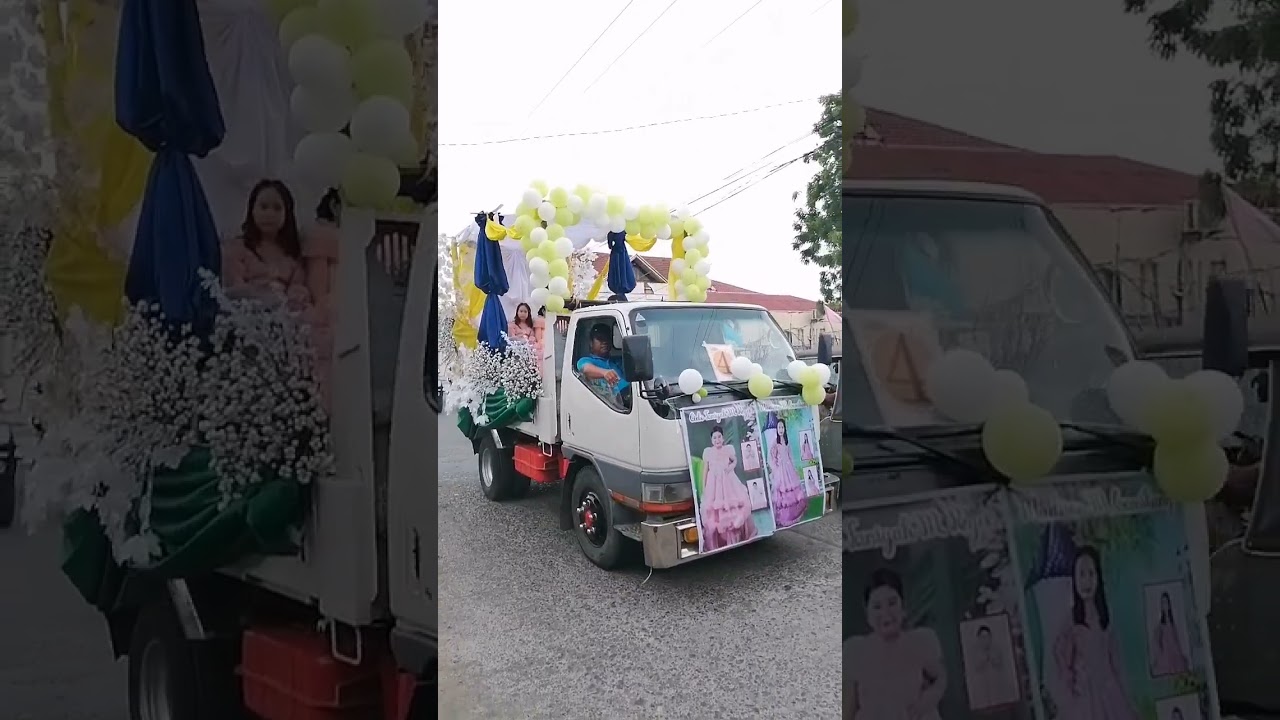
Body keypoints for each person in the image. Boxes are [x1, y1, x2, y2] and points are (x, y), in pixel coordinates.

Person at [1050, 545, 1138, 720]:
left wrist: (1128, 701)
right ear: (1074, 580)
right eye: (1081, 574)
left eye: (1091, 573)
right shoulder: (1070, 623)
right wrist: (1071, 699)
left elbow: (1117, 665)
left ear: (1098, 577)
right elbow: (1062, 667)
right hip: (1085, 702)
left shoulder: (1106, 618)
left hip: (1111, 696)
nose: (1087, 581)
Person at [844, 568, 946, 720]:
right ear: (868, 614)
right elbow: (847, 711)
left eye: (892, 603)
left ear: (903, 606)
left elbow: (940, 678)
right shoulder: (855, 650)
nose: (886, 612)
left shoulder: (920, 642)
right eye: (877, 606)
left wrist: (927, 700)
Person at [221, 179, 311, 312]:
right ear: (252, 210)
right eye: (263, 207)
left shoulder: (292, 252)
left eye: (277, 208)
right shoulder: (238, 248)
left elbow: (297, 286)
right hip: (247, 314)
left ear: (287, 214)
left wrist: (295, 298)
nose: (269, 214)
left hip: (283, 316)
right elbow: (234, 286)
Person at [699, 424, 757, 551]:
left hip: (729, 483)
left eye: (719, 437)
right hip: (714, 486)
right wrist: (704, 488)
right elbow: (705, 471)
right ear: (711, 440)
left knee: (733, 507)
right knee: (716, 511)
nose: (717, 440)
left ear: (723, 438)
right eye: (714, 438)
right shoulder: (708, 452)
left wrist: (731, 466)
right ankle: (721, 540)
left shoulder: (727, 450)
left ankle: (737, 534)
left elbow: (734, 460)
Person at [575, 323, 630, 403]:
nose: (605, 342)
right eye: (600, 338)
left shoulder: (617, 361)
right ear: (591, 343)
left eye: (607, 338)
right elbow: (585, 369)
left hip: (631, 398)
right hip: (613, 405)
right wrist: (604, 373)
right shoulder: (586, 360)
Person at [769, 417, 808, 527]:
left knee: (793, 491)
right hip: (781, 470)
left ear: (784, 429)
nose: (781, 429)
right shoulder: (775, 443)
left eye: (782, 427)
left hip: (789, 468)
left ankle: (794, 514)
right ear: (776, 429)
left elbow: (790, 456)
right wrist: (776, 468)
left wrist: (793, 468)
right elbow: (772, 457)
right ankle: (784, 517)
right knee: (783, 493)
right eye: (779, 427)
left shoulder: (786, 441)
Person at [967, 624, 1012, 709]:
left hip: (997, 686)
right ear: (979, 638)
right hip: (983, 689)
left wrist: (991, 658)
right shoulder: (975, 652)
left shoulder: (997, 649)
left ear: (990, 637)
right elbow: (976, 668)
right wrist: (984, 659)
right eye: (982, 637)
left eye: (987, 637)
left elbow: (999, 664)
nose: (985, 640)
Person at [1148, 591, 1189, 676]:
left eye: (1166, 602)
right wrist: (1160, 654)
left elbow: (1176, 642)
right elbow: (1156, 640)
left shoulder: (1173, 624)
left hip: (1176, 656)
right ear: (1161, 606)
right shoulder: (1160, 626)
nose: (1165, 605)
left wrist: (1180, 654)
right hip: (1166, 657)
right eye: (1163, 602)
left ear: (1169, 605)